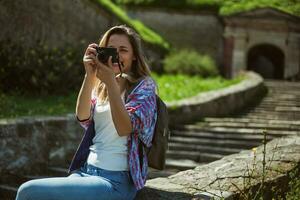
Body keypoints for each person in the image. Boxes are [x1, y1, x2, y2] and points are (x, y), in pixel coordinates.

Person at [16, 25, 158, 200]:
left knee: (27, 191)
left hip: (116, 181)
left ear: (134, 56)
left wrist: (111, 85)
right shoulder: (102, 84)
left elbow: (124, 128)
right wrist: (89, 75)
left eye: (123, 50)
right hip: (86, 171)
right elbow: (83, 117)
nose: (116, 55)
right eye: (111, 50)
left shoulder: (144, 86)